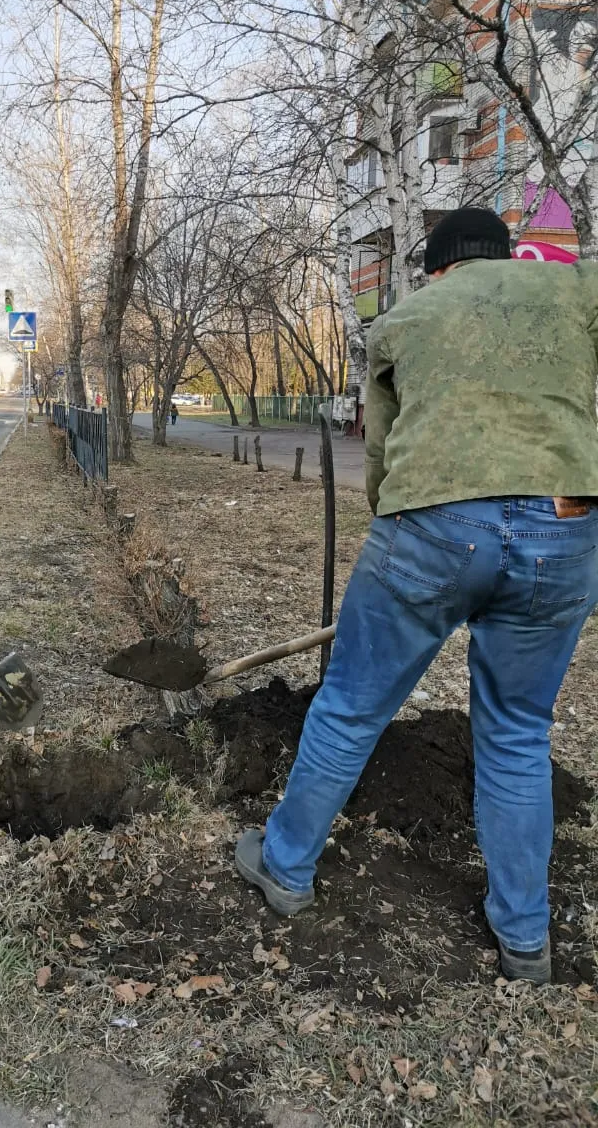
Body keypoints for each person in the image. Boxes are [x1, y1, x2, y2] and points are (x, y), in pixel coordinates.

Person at [235, 207, 598, 986]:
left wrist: (402, 544)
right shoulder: (573, 290)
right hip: (563, 530)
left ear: (437, 269)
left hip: (434, 524)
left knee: (350, 705)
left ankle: (285, 866)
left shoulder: (406, 319)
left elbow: (382, 459)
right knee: (517, 735)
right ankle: (525, 940)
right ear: (506, 257)